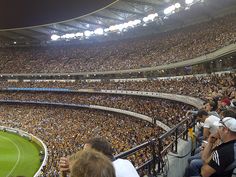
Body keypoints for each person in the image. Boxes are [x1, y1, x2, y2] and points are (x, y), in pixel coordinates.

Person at [59, 137, 140, 177]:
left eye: (86, 152)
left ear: (98, 154)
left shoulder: (105, 172)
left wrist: (76, 170)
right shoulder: (124, 162)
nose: (83, 155)